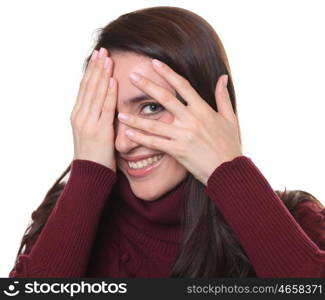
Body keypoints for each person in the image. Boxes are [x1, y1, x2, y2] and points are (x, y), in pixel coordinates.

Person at [9, 6, 325, 278]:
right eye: (108, 112)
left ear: (210, 109)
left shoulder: (297, 224)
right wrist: (88, 173)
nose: (122, 143)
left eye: (151, 107)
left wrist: (228, 171)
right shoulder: (67, 221)